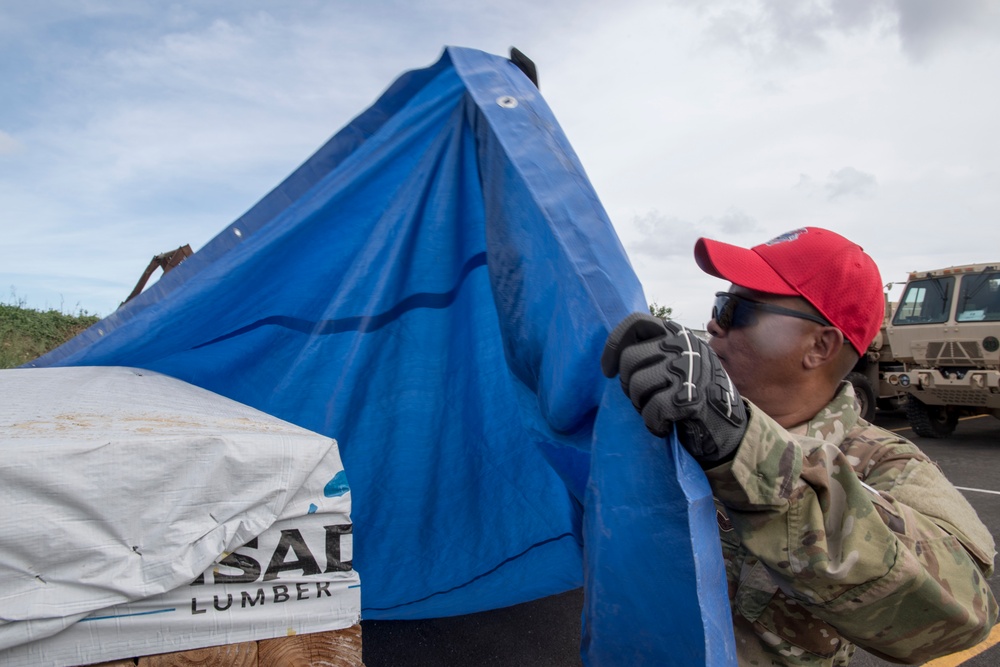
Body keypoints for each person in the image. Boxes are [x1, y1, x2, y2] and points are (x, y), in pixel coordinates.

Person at [600, 227, 997, 666]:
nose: (714, 322)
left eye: (736, 310)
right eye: (718, 304)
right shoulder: (674, 418)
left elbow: (966, 612)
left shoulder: (883, 463)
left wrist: (741, 449)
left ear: (819, 345)